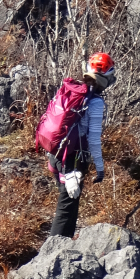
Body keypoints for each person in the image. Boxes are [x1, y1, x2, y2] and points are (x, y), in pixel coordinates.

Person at [47, 52, 116, 238]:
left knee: (69, 203)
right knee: (66, 206)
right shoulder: (95, 102)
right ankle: (53, 251)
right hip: (71, 162)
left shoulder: (71, 90)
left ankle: (63, 244)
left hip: (54, 153)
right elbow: (93, 140)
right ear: (108, 78)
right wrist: (100, 168)